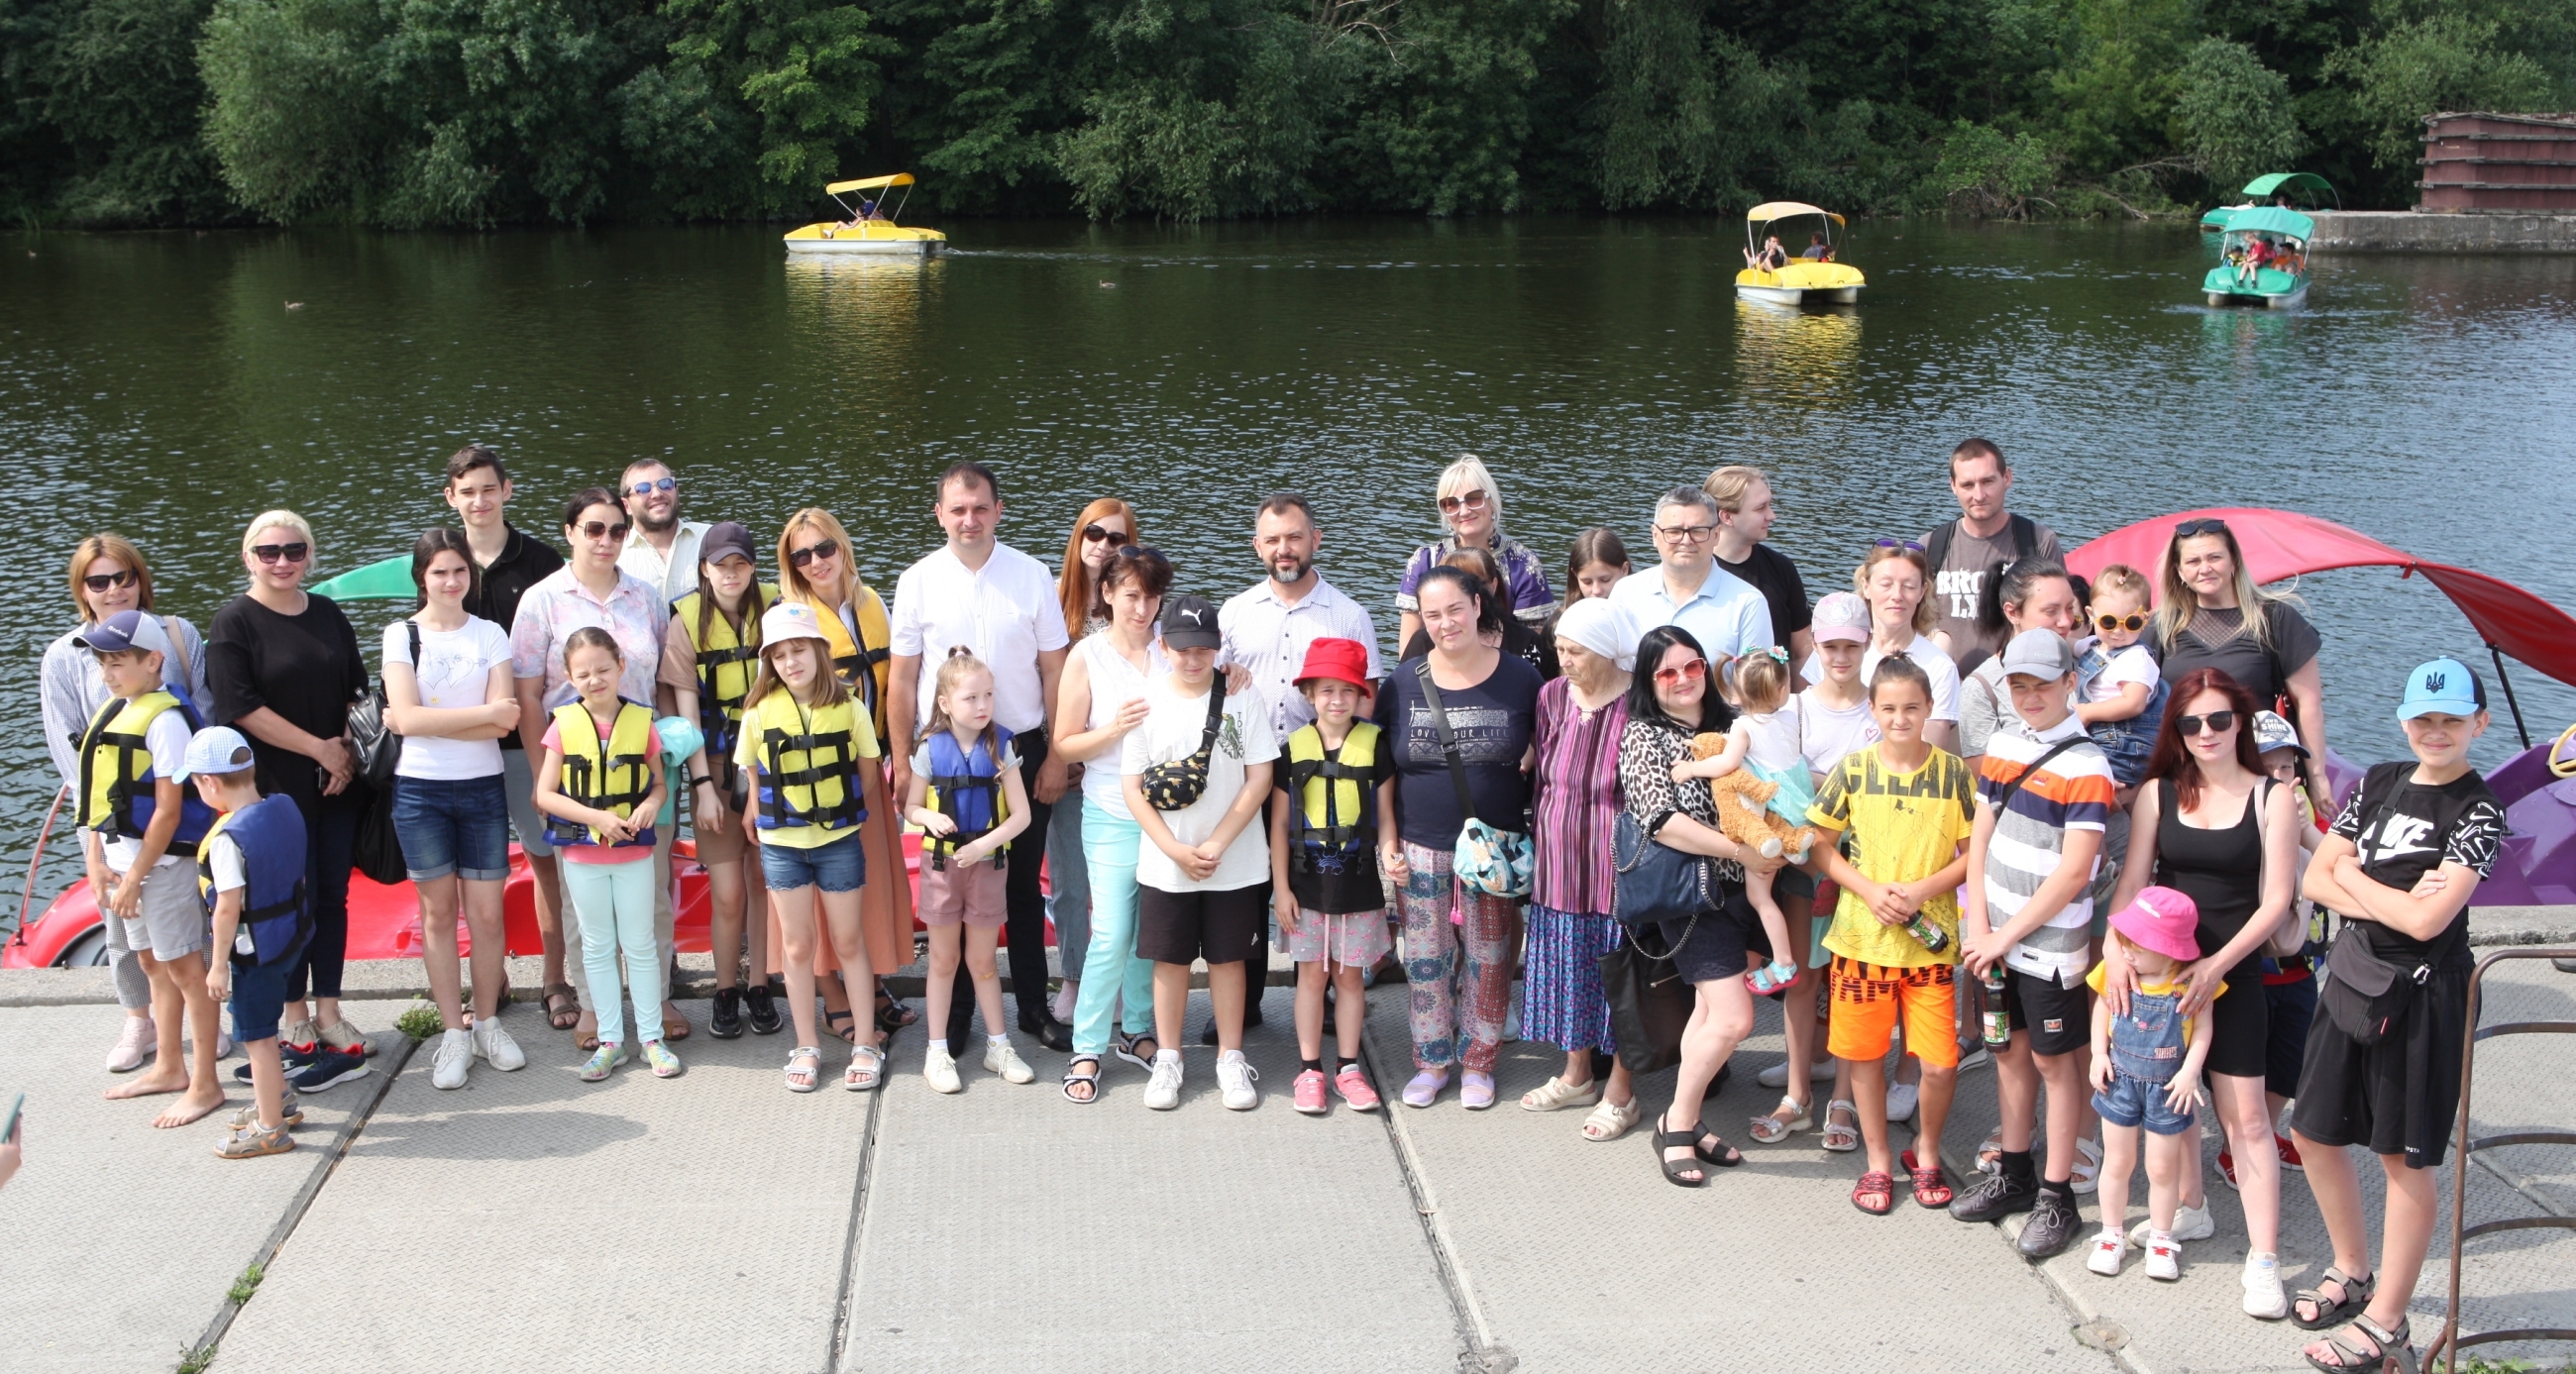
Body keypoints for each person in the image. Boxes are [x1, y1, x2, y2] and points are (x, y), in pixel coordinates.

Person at [2287, 659, 2503, 1373]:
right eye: (2423, 718)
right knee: (2313, 1131)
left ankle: (2387, 1321)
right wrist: (2374, 888)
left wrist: (2352, 876)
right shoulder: (2378, 782)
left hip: (2423, 996)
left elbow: (2429, 920)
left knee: (2402, 1155)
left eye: (2451, 718)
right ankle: (2353, 1266)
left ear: (2479, 722)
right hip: (2351, 976)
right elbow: (2317, 875)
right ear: (2404, 720)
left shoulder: (2479, 810)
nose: (2435, 731)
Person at [2100, 668, 2304, 1316]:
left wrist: (2218, 964)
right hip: (2158, 974)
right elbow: (2131, 882)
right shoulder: (2160, 792)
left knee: (2246, 1119)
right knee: (2170, 1099)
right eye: (2191, 722)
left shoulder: (2273, 798)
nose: (2206, 732)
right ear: (2177, 731)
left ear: (2239, 721)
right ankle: (2191, 1210)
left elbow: (2275, 901)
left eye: (2219, 719)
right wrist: (2113, 950)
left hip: (2232, 969)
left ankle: (2264, 1257)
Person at [887, 465, 1074, 1052]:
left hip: (1019, 748)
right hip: (943, 757)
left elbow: (1054, 670)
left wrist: (1056, 757)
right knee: (961, 886)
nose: (969, 520)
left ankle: (1032, 1008)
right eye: (958, 509)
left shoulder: (1032, 575)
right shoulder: (917, 580)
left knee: (1020, 886)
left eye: (980, 508)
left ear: (999, 510)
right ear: (940, 514)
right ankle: (962, 1012)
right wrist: (900, 760)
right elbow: (901, 681)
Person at [1952, 628, 2114, 1261]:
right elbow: (1981, 837)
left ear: (2070, 683)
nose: (2030, 695)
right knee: (2008, 1054)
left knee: (2054, 1064)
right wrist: (1978, 928)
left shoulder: (2087, 764)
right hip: (1992, 939)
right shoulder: (2002, 742)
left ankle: (2057, 1194)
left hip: (2048, 947)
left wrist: (2003, 937)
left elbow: (2075, 871)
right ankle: (2014, 1172)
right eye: (2018, 684)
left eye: (2042, 684)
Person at [1803, 656, 1976, 1213]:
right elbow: (1818, 842)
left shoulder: (1953, 774)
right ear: (1872, 711)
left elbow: (1974, 854)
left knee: (1940, 1062)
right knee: (1866, 1057)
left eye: (1911, 708)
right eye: (1889, 709)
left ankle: (1925, 1150)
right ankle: (1878, 1160)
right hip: (1861, 942)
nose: (1900, 719)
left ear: (1929, 709)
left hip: (1930, 942)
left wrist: (1923, 889)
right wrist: (1867, 888)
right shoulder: (1853, 770)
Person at [44, 534, 214, 1072]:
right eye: (100, 581)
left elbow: (204, 717)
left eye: (124, 577)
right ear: (83, 591)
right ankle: (139, 1021)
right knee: (123, 930)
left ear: (141, 580)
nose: (114, 588)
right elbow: (70, 748)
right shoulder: (66, 657)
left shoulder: (178, 635)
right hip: (105, 817)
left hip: (175, 814)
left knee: (189, 924)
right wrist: (95, 836)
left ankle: (202, 1027)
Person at [1620, 624, 1783, 1185]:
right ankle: (1679, 1121)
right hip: (1694, 894)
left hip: (1753, 889)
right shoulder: (1643, 735)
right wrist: (1741, 849)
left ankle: (1683, 1121)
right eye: (1667, 672)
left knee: (1710, 1014)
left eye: (1693, 666)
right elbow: (1661, 822)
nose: (1683, 679)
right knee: (1736, 1017)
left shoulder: (1731, 726)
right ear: (1649, 680)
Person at [207, 510, 372, 1065]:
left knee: (332, 895)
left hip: (336, 783)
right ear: (248, 557)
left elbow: (356, 689)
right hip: (275, 792)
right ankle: (294, 1012)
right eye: (269, 551)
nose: (282, 561)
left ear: (309, 555)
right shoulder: (235, 622)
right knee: (287, 899)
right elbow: (240, 707)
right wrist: (318, 748)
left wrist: (344, 751)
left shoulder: (326, 612)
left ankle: (330, 1008)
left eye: (294, 550)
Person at [511, 489, 674, 1049]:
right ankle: (592, 1005)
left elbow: (662, 683)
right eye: (593, 529)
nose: (606, 540)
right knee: (584, 903)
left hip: (642, 762)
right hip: (575, 772)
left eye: (615, 530)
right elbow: (528, 691)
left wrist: (670, 766)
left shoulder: (646, 597)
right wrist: (541, 776)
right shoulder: (542, 600)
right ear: (571, 532)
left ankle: (658, 997)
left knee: (653, 889)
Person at [1220, 491, 1383, 1043]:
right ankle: (1245, 1004)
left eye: (1294, 537)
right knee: (1250, 888)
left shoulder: (1348, 613)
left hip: (1328, 774)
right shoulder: (1235, 613)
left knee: (1325, 877)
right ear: (1257, 546)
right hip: (1252, 773)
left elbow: (1368, 698)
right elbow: (1215, 694)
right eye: (1272, 540)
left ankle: (1329, 988)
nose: (1284, 549)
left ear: (1315, 539)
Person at [1382, 567, 1542, 1110]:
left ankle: (1479, 1062)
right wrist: (1388, 841)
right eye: (1432, 615)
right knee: (1424, 959)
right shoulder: (1403, 681)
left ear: (1477, 606)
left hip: (1492, 847)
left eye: (1455, 609)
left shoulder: (1521, 678)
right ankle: (1431, 1061)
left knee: (1489, 957)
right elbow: (1384, 768)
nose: (1446, 623)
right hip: (1421, 842)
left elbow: (1548, 746)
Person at [380, 529, 526, 1089]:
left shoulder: (490, 632)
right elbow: (407, 719)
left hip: (482, 788)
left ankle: (488, 1021)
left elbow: (507, 720)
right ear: (422, 576)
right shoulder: (402, 635)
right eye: (439, 571)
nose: (450, 581)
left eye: (459, 571)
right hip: (420, 790)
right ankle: (452, 1033)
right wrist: (476, 718)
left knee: (488, 915)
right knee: (439, 915)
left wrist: (422, 720)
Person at [1123, 593, 1278, 1111]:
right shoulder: (1146, 699)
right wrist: (1172, 848)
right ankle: (1169, 1057)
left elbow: (1259, 778)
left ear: (1218, 649)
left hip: (1234, 859)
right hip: (1165, 862)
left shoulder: (1241, 697)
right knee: (1169, 960)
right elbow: (1132, 786)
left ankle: (1230, 1057)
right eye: (1183, 649)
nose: (1193, 660)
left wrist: (1214, 843)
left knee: (1228, 958)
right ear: (1163, 646)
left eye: (1204, 650)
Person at [75, 610, 225, 1127]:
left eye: (118, 661)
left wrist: (136, 876)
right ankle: (168, 1065)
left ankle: (205, 1084)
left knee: (186, 970)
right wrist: (97, 863)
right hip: (122, 865)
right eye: (102, 663)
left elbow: (168, 809)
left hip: (159, 869)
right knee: (152, 965)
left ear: (153, 660)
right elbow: (100, 799)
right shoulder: (116, 709)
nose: (108, 673)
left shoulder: (164, 720)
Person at [443, 446, 571, 1032]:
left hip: (527, 743)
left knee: (545, 862)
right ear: (452, 497)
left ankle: (554, 979)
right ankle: (487, 986)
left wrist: (547, 745)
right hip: (459, 747)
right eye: (467, 491)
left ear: (507, 490)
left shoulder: (541, 561)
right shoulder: (441, 562)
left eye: (488, 489)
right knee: (474, 870)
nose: (479, 501)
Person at [735, 602, 889, 1093]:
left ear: (819, 651)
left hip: (838, 843)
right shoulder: (757, 713)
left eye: (798, 649)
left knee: (848, 942)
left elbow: (867, 772)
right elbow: (753, 777)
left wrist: (835, 813)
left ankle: (865, 1041)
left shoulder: (850, 708)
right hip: (782, 846)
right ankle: (806, 1044)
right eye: (778, 655)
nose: (790, 662)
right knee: (797, 944)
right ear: (769, 662)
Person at [774, 507, 910, 1042]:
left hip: (869, 765)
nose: (815, 562)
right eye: (801, 555)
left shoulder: (871, 602)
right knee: (818, 890)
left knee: (864, 886)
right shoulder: (792, 616)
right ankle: (833, 996)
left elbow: (896, 687)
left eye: (824, 548)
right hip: (813, 782)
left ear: (842, 547)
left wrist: (897, 755)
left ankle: (871, 987)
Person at [1518, 598, 1641, 1138]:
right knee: (1569, 970)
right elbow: (1543, 776)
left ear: (1609, 650)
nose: (1563, 660)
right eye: (1560, 649)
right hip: (1560, 867)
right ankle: (1576, 1075)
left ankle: (1622, 1089)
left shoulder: (1640, 702)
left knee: (1621, 976)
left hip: (1618, 869)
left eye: (1576, 651)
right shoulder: (1551, 697)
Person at [1055, 545, 1173, 1104]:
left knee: (1151, 931)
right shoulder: (1087, 655)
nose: (1142, 608)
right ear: (1106, 594)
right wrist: (1113, 730)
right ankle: (1087, 1044)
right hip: (1109, 808)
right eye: (1131, 595)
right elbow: (1064, 742)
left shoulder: (1174, 649)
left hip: (1173, 812)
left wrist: (1237, 672)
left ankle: (1138, 1031)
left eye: (1151, 596)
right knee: (1111, 932)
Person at [533, 628, 677, 1084]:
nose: (594, 680)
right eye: (583, 674)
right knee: (597, 946)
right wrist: (595, 818)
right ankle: (612, 1039)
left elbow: (657, 783)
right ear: (569, 678)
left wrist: (653, 804)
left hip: (633, 853)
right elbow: (545, 794)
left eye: (602, 670)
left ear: (620, 667)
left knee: (640, 943)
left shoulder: (641, 722)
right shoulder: (562, 726)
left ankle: (652, 1038)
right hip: (582, 856)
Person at [1768, 590, 1880, 1151]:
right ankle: (1797, 1094)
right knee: (1802, 977)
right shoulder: (1795, 708)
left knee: (1848, 983)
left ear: (1867, 645)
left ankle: (1842, 1094)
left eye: (1851, 646)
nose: (1840, 656)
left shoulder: (1880, 710)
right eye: (1830, 645)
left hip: (1861, 870)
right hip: (1805, 865)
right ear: (1814, 642)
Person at [1267, 637, 1398, 1114]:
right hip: (1304, 888)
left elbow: (1386, 818)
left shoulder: (1376, 747)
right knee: (1310, 977)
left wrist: (1391, 856)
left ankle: (1347, 1067)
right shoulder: (1291, 750)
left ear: (1362, 695)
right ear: (1309, 695)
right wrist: (1280, 889)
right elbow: (1280, 825)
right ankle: (1309, 1070)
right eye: (1326, 691)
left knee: (1348, 978)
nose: (1337, 700)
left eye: (1347, 690)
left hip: (1359, 886)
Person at [661, 521, 776, 1040]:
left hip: (772, 767)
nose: (731, 575)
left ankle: (760, 984)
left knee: (764, 882)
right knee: (728, 891)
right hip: (716, 770)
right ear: (704, 570)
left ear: (753, 569)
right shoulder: (686, 623)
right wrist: (703, 787)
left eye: (740, 565)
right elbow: (685, 720)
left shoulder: (774, 610)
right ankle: (724, 988)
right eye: (720, 566)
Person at [906, 649, 1038, 1093]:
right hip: (942, 866)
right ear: (945, 703)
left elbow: (1021, 815)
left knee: (983, 962)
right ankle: (937, 1050)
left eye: (988, 695)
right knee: (943, 960)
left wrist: (983, 843)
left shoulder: (1002, 746)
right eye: (971, 698)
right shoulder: (929, 749)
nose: (982, 706)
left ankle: (998, 1046)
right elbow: (910, 805)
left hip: (986, 867)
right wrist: (929, 818)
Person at [186, 727, 313, 1159]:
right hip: (292, 940)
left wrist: (218, 965)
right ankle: (277, 1099)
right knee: (269, 1028)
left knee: (258, 1037)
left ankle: (271, 1127)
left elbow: (227, 909)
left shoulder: (227, 840)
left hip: (253, 952)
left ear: (210, 783)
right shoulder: (284, 806)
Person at [2145, 516, 2332, 807]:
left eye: (2214, 557)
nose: (2204, 568)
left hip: (2255, 774)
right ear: (2179, 571)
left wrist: (2317, 777)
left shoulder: (2275, 619)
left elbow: (2308, 704)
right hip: (2183, 776)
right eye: (2193, 561)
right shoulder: (2162, 625)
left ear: (2234, 561)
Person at [2083, 887, 2217, 1281]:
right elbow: (2101, 1010)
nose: (2125, 951)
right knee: (2117, 1162)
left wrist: (2191, 1071)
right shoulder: (2115, 971)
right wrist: (2098, 1054)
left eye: (2136, 945)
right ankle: (2111, 1235)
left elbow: (2204, 1030)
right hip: (2118, 1080)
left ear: (2172, 950)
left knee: (2161, 1169)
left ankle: (2161, 1239)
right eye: (2123, 941)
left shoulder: (2188, 983)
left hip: (2168, 1087)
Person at [1044, 498, 1144, 1023]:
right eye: (1094, 535)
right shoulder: (1053, 604)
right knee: (1069, 881)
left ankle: (1128, 985)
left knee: (1126, 888)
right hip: (1065, 761)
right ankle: (1075, 974)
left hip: (1123, 769)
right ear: (1078, 539)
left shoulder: (1137, 604)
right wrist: (1055, 758)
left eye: (1117, 538)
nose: (1104, 546)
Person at [1670, 651, 1811, 995]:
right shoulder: (1792, 716)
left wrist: (1690, 769)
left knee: (1760, 897)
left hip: (1766, 814)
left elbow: (1725, 765)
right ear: (1782, 690)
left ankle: (1783, 962)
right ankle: (1796, 847)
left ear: (1735, 695)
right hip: (1797, 805)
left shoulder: (1743, 726)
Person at [2239, 709, 2320, 1186]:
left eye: (2286, 767)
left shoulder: (2306, 815)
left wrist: (2306, 828)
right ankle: (2239, 1146)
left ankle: (2267, 1131)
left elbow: (2336, 869)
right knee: (2245, 1065)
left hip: (2301, 966)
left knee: (2291, 1063)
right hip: (2252, 967)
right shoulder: (2234, 814)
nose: (2278, 777)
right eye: (2265, 766)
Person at [1923, 439, 2065, 674]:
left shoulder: (2038, 543)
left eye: (1988, 481)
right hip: (1944, 691)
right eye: (1967, 485)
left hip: (2015, 687)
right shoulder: (1931, 546)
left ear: (2007, 477)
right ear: (1953, 486)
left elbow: (2058, 622)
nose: (1979, 495)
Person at [1394, 455, 1556, 647]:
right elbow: (1408, 648)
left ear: (1492, 502)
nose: (1463, 511)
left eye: (1473, 499)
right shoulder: (1423, 561)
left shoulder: (1524, 565)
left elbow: (1533, 648)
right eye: (1451, 503)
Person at [1608, 486, 1774, 672]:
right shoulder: (1625, 592)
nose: (1686, 541)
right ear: (1655, 535)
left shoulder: (1749, 602)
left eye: (1698, 531)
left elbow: (1757, 693)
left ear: (1716, 535)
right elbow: (1610, 673)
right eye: (1674, 531)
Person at [1820, 542, 1961, 751]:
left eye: (1909, 586)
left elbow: (1930, 751)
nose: (1897, 595)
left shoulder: (1940, 667)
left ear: (1922, 592)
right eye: (1886, 584)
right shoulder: (1831, 651)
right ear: (1866, 586)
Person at [1706, 466, 1814, 671]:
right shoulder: (1697, 572)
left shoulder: (1782, 568)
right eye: (1760, 508)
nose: (1771, 515)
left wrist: (1796, 701)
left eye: (1770, 505)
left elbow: (1803, 650)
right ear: (1727, 517)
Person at [1400, 546, 1557, 681]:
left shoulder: (1527, 642)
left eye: (1474, 583)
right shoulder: (1422, 642)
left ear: (1494, 584)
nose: (1465, 592)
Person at [2075, 564, 2166, 789]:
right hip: (2097, 737)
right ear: (2090, 615)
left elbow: (2134, 703)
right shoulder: (2093, 645)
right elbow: (2066, 646)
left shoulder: (2135, 658)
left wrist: (2087, 711)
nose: (2118, 630)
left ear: (2146, 619)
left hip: (2122, 747)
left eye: (2132, 623)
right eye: (2108, 621)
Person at [613, 460, 706, 604]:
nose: (657, 494)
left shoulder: (711, 538)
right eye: (643, 489)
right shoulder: (614, 556)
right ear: (626, 506)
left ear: (677, 491)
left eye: (665, 484)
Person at [1559, 527, 1632, 610]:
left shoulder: (1643, 615)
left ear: (1624, 569)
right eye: (1587, 582)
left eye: (1605, 580)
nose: (1596, 591)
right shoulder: (1562, 619)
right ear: (1575, 574)